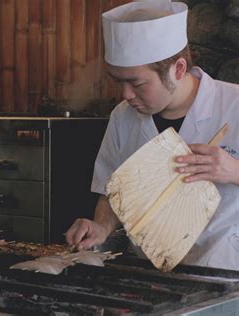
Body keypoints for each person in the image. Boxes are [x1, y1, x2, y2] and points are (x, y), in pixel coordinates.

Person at [65, 0, 239, 270]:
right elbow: (112, 192)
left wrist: (234, 171)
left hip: (223, 272)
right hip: (149, 273)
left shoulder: (234, 104)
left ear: (178, 69)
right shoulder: (122, 116)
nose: (126, 95)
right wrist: (101, 227)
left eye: (137, 83)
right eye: (118, 81)